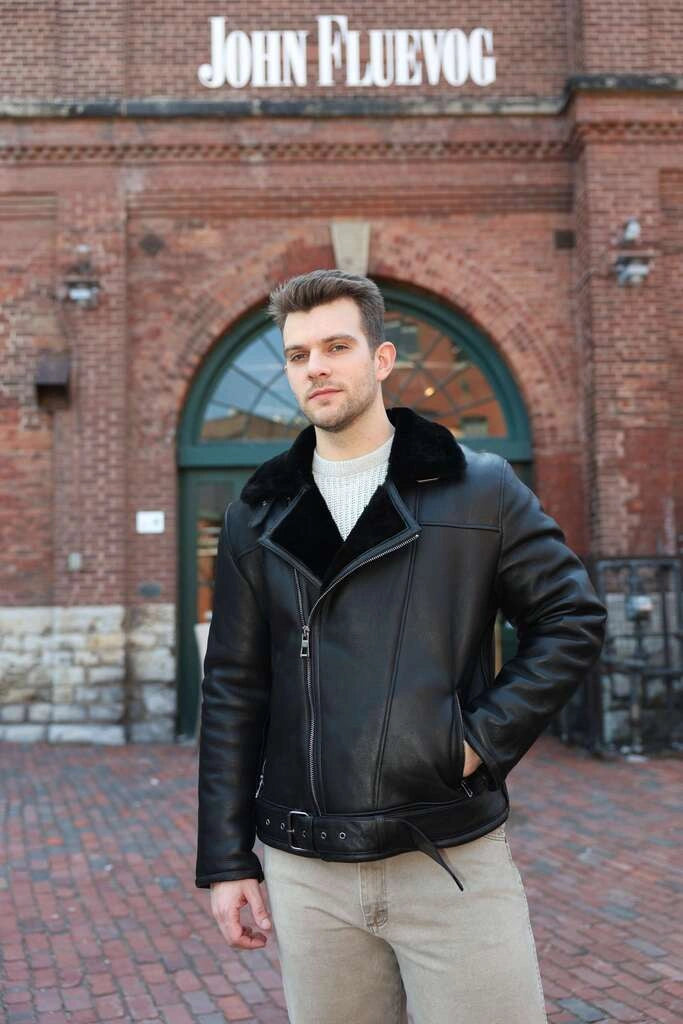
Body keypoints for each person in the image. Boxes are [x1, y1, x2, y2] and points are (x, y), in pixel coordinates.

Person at [195, 269, 608, 1023]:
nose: (314, 366)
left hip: (446, 855)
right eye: (295, 355)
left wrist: (475, 741)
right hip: (306, 865)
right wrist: (226, 860)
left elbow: (569, 616)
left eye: (335, 346)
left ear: (381, 360)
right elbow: (232, 687)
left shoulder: (475, 489)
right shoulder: (255, 515)